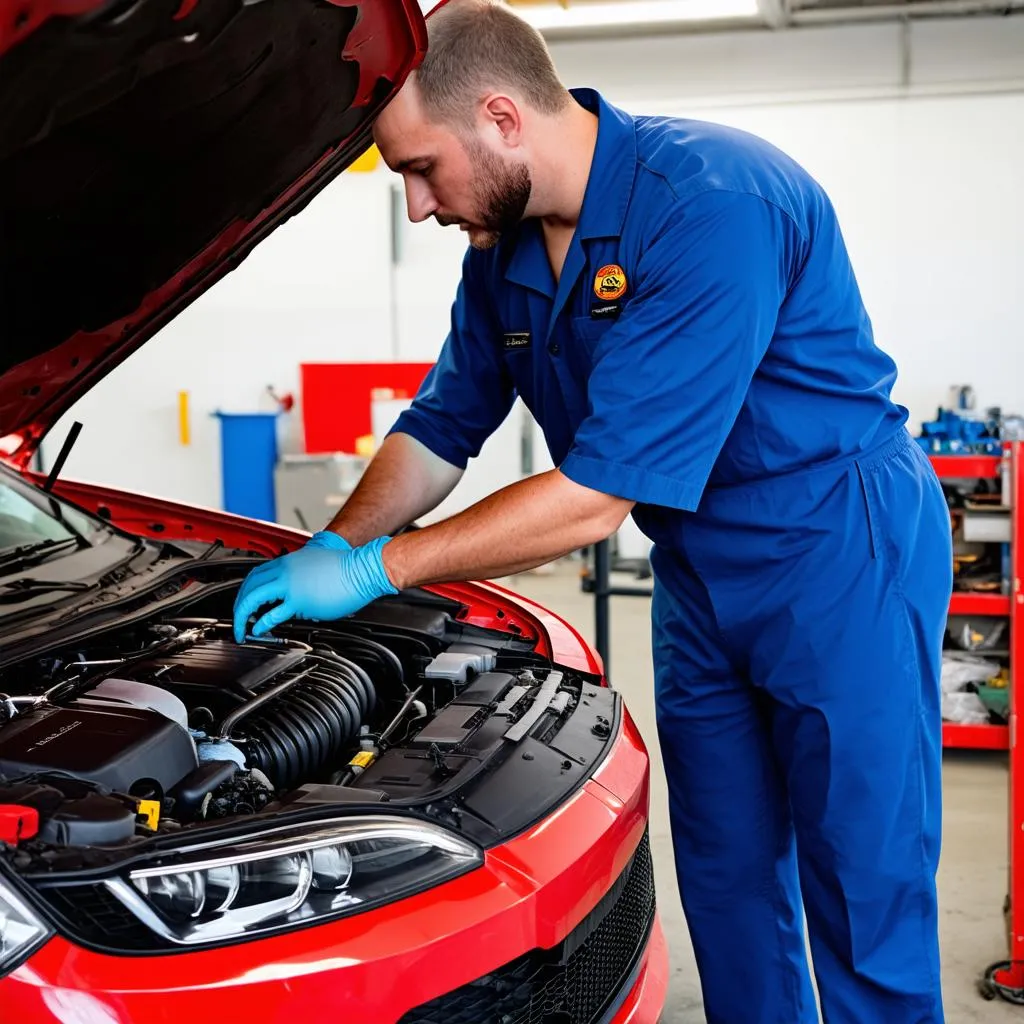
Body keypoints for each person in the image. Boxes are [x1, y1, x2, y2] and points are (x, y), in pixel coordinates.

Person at [232, 2, 952, 1020]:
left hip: (837, 550)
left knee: (861, 870)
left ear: (501, 118)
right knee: (724, 864)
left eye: (420, 168)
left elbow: (591, 499)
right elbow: (441, 428)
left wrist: (379, 570)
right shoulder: (504, 260)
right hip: (699, 568)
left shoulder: (712, 201)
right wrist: (333, 541)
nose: (419, 207)